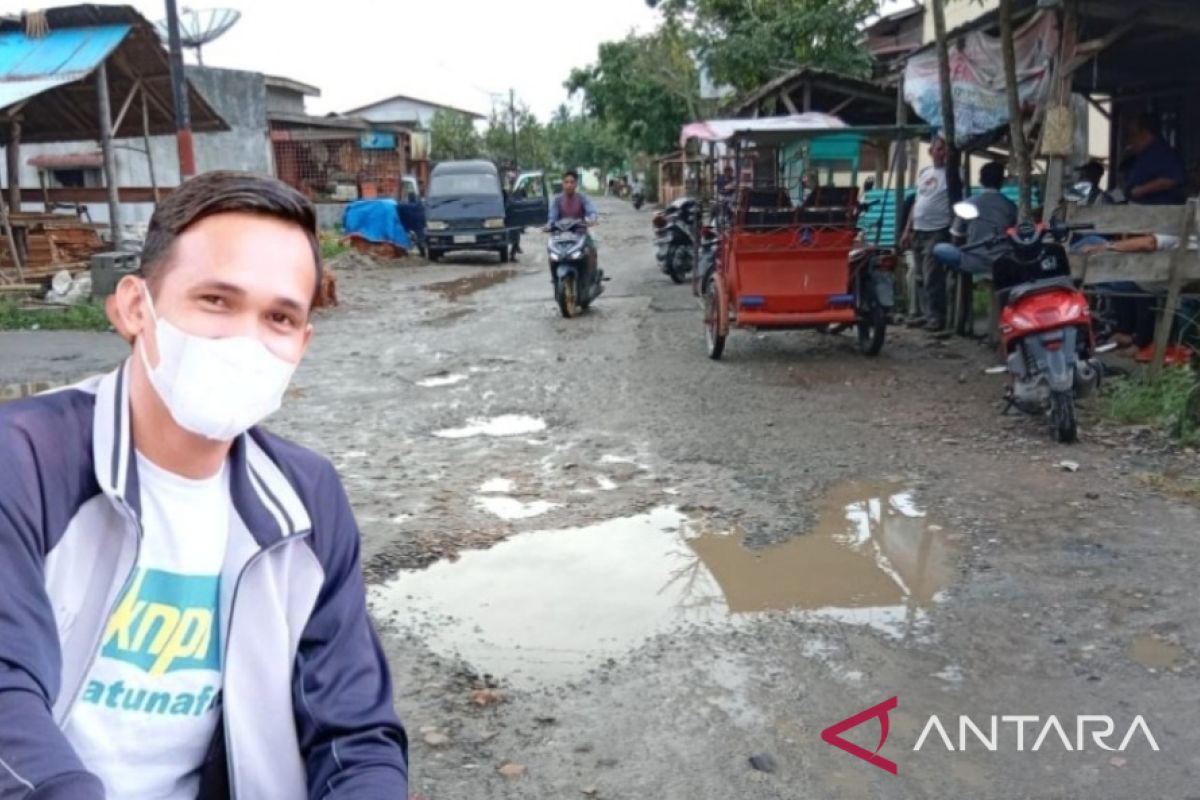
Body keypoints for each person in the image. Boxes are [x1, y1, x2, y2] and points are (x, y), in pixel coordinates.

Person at [0, 172, 408, 799]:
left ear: (301, 343)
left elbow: (352, 731)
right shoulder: (25, 463)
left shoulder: (306, 500)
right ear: (137, 307)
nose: (245, 340)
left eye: (278, 317)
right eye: (216, 301)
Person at [900, 136, 953, 331]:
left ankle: (937, 317)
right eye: (938, 149)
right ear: (930, 152)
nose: (942, 153)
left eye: (944, 149)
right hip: (919, 231)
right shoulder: (925, 173)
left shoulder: (952, 174)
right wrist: (907, 230)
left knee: (933, 276)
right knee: (920, 276)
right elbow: (917, 203)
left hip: (937, 231)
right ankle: (924, 314)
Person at [1123, 113, 1187, 205]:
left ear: (1145, 133)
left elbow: (1171, 179)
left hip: (1160, 211)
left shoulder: (1162, 152)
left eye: (1133, 134)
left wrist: (1141, 190)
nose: (1130, 140)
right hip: (1140, 210)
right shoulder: (1143, 154)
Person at [547, 169, 600, 279]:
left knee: (591, 249)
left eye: (572, 182)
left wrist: (592, 219)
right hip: (561, 236)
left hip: (580, 234)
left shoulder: (582, 198)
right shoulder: (557, 200)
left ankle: (591, 278)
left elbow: (592, 212)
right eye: (566, 182)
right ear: (563, 184)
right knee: (551, 255)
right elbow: (552, 217)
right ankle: (555, 279)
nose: (569, 185)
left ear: (576, 184)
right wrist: (549, 226)